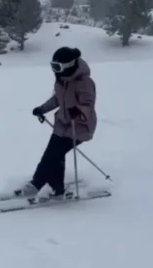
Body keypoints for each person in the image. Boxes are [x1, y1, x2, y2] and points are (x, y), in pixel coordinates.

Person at [17, 46, 97, 199]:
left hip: (79, 127)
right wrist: (42, 109)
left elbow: (88, 105)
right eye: (53, 66)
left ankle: (37, 183)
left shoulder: (84, 82)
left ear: (68, 65)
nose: (54, 70)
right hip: (62, 125)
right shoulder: (61, 80)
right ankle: (56, 187)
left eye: (57, 67)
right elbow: (57, 99)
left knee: (52, 155)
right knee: (55, 155)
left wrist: (79, 111)